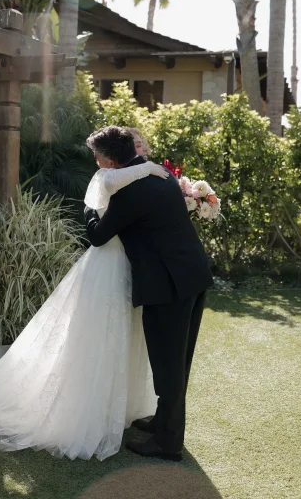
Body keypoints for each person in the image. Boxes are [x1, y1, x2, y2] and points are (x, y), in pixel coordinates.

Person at [0, 153, 168, 461]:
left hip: (127, 264)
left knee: (123, 335)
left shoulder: (133, 176)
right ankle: (84, 408)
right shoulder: (109, 177)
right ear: (109, 158)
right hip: (107, 264)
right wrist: (150, 168)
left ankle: (117, 404)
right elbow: (103, 224)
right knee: (95, 336)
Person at [85, 126, 214, 462]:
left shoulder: (129, 193)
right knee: (177, 358)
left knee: (168, 363)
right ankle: (163, 419)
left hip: (167, 285)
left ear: (111, 161)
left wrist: (88, 209)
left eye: (97, 157)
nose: (95, 162)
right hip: (192, 274)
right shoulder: (162, 176)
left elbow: (98, 236)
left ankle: (167, 443)